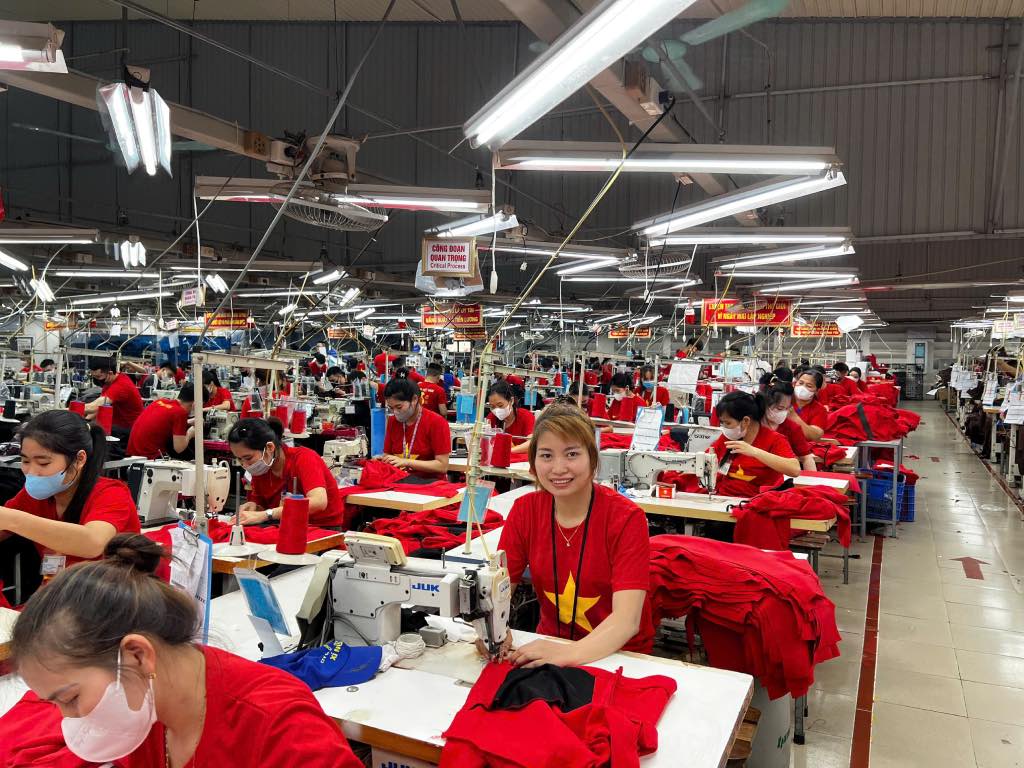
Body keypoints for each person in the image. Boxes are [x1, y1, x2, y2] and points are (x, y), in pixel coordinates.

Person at [8, 534, 363, 767]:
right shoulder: (142, 706)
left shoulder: (281, 729)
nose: (67, 719)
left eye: (69, 699)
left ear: (136, 655)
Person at [493, 403, 651, 667]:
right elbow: (498, 588)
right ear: (533, 462)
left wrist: (567, 655)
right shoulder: (525, 511)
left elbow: (627, 621)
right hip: (551, 647)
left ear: (592, 458)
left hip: (619, 655)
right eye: (546, 456)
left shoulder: (626, 519)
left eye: (572, 454)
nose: (558, 468)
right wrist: (493, 627)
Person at [0, 411, 140, 588]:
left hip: (113, 600)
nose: (31, 472)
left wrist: (13, 520)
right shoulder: (34, 496)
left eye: (43, 463)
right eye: (25, 461)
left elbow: (93, 542)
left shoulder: (111, 494)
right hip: (59, 594)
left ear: (79, 459)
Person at [228, 418, 345, 527]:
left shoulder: (304, 458)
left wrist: (266, 514)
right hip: (284, 525)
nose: (244, 465)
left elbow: (319, 502)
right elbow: (262, 506)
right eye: (239, 459)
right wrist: (254, 507)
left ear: (269, 448)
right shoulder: (261, 468)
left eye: (248, 458)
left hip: (321, 528)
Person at [709, 391, 801, 497]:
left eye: (728, 423)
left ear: (745, 421)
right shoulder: (727, 438)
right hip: (724, 497)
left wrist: (754, 452)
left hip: (758, 502)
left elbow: (794, 470)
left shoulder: (774, 440)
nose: (724, 427)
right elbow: (704, 460)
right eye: (722, 423)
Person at [380, 378, 451, 479]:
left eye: (399, 407)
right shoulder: (392, 421)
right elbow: (388, 455)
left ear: (414, 399)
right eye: (391, 408)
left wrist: (407, 462)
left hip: (429, 485)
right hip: (398, 482)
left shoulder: (437, 422)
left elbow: (442, 465)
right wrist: (384, 460)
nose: (395, 412)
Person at [127, 383, 207, 460]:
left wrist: (188, 422)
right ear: (195, 404)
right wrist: (191, 432)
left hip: (132, 455)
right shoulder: (180, 413)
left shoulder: (159, 402)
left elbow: (164, 424)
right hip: (149, 459)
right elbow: (179, 448)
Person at [762, 381, 816, 472]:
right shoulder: (753, 425)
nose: (783, 412)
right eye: (780, 408)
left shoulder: (792, 428)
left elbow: (806, 458)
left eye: (787, 408)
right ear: (765, 404)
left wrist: (813, 483)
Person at [84, 357, 144, 435]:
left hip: (130, 430)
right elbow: (100, 407)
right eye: (94, 377)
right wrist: (86, 420)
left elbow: (93, 407)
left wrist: (66, 411)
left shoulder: (121, 386)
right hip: (118, 426)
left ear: (110, 373)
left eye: (98, 377)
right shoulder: (109, 381)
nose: (97, 380)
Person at [486, 380, 535, 446]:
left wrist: (509, 450)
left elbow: (532, 443)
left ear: (511, 401)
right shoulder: (491, 417)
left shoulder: (526, 416)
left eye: (500, 405)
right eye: (492, 407)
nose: (496, 410)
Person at [790, 368, 829, 441]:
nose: (802, 388)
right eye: (800, 383)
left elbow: (815, 436)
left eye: (809, 386)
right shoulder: (785, 400)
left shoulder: (820, 410)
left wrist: (793, 416)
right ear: (795, 383)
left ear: (817, 390)